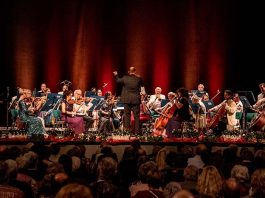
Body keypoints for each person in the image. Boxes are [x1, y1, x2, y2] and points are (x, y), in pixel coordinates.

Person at [113, 67, 144, 134]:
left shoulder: (125, 78)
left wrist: (116, 75)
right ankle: (137, 132)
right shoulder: (139, 78)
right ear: (135, 71)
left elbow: (118, 81)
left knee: (127, 116)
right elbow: (142, 86)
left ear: (128, 71)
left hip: (126, 99)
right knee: (136, 117)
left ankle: (127, 132)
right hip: (136, 100)